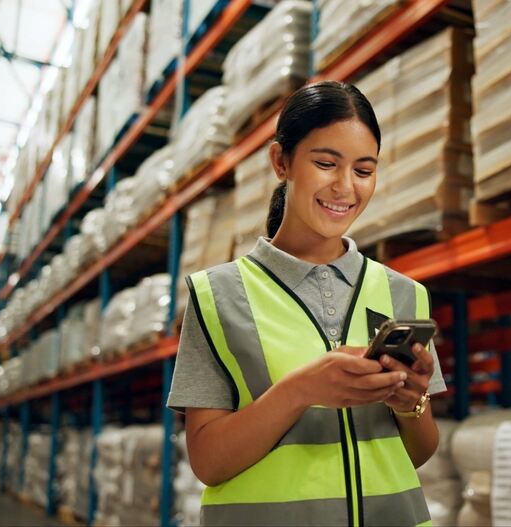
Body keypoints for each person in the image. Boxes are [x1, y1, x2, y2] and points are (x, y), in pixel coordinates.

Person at [168, 80, 447, 526]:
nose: (345, 188)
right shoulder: (217, 295)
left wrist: (409, 406)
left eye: (364, 170)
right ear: (281, 161)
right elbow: (208, 462)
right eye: (325, 163)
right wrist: (301, 391)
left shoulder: (404, 293)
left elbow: (418, 452)